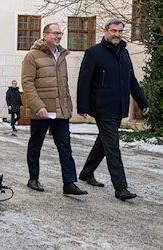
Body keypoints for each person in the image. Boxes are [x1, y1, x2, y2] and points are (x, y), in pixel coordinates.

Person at [77, 18, 149, 201]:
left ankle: (86, 173)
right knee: (112, 147)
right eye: (113, 31)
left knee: (103, 143)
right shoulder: (94, 53)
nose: (117, 34)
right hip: (102, 107)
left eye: (119, 31)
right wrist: (83, 106)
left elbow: (131, 80)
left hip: (119, 107)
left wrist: (142, 102)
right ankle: (121, 188)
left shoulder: (124, 53)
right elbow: (84, 81)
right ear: (105, 31)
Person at [22, 23, 87, 195]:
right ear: (45, 35)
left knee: (65, 146)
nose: (58, 36)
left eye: (60, 33)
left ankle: (69, 183)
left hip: (61, 112)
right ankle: (33, 178)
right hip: (42, 111)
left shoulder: (62, 56)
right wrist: (38, 106)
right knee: (36, 145)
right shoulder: (32, 56)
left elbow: (63, 85)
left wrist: (69, 106)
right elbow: (27, 84)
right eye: (55, 33)